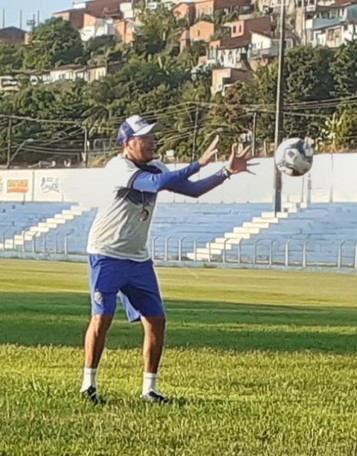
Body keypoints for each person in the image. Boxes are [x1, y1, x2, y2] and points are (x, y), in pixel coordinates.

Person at [81, 114, 251, 404]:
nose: (151, 142)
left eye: (151, 137)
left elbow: (193, 190)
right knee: (102, 318)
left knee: (156, 320)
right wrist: (198, 163)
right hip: (107, 253)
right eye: (144, 138)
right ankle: (89, 385)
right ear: (128, 143)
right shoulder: (117, 167)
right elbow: (157, 184)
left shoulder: (156, 167)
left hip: (138, 258)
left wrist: (227, 172)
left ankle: (150, 389)